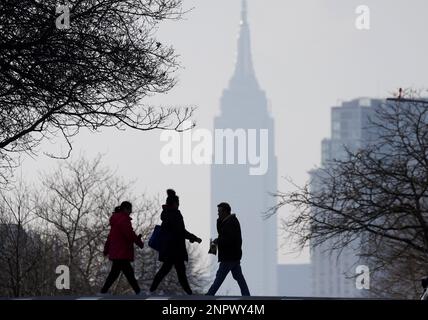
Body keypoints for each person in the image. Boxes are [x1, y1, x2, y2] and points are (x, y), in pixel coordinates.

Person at [150, 189, 202, 295]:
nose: (179, 205)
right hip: (176, 249)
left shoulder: (166, 214)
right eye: (178, 203)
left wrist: (191, 237)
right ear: (174, 203)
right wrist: (194, 238)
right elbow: (181, 231)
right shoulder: (175, 214)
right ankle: (190, 294)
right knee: (180, 273)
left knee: (166, 270)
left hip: (168, 248)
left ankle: (151, 290)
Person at [206, 202, 250, 296]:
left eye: (219, 211)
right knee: (239, 277)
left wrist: (218, 240)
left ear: (225, 212)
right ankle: (247, 296)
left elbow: (229, 239)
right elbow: (222, 233)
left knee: (219, 278)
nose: (218, 213)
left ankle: (209, 295)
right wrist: (219, 221)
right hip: (234, 256)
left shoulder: (231, 223)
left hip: (229, 257)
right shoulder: (227, 222)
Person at [100, 201, 144, 295]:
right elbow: (129, 234)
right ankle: (139, 292)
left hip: (117, 251)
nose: (131, 212)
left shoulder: (115, 220)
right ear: (126, 209)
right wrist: (139, 242)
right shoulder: (123, 219)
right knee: (128, 273)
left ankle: (103, 292)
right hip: (122, 252)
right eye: (130, 209)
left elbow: (111, 236)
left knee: (116, 273)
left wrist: (106, 249)